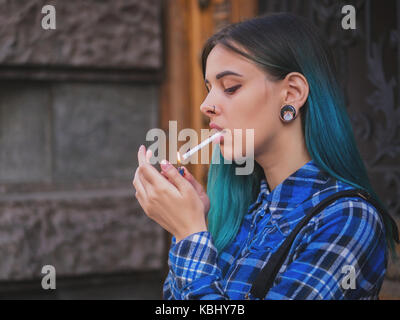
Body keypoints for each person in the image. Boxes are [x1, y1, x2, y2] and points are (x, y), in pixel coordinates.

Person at [132, 13, 398, 300]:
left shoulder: (348, 219)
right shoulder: (239, 211)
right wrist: (197, 225)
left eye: (230, 87)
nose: (206, 105)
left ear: (292, 93)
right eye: (209, 89)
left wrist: (189, 234)